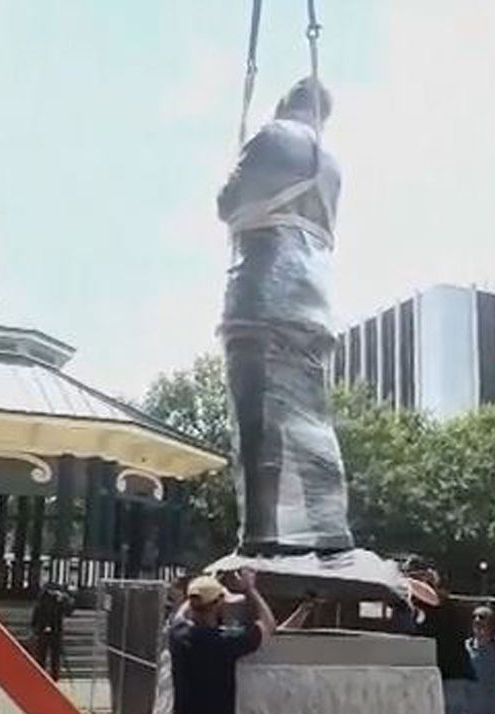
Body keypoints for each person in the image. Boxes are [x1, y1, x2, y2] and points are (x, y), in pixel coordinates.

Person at [217, 76, 351, 554]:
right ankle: (329, 533)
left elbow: (226, 204)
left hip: (262, 291)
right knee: (311, 419)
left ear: (285, 102)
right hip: (311, 300)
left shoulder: (274, 136)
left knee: (258, 421)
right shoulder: (331, 164)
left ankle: (261, 534)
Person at [169, 568, 277, 714]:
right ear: (218, 604)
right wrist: (250, 589)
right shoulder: (225, 640)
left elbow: (181, 614)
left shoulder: (177, 633)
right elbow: (269, 624)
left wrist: (203, 587)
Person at [413, 570, 476, 714]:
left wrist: (403, 581)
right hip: (440, 677)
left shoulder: (443, 602)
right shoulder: (418, 611)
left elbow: (431, 597)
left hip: (453, 678)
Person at [467, 606, 495, 714]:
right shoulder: (464, 650)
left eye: (482, 617)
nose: (477, 620)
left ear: (491, 624)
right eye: (474, 617)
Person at [31, 582, 75, 680]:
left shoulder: (60, 600)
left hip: (56, 630)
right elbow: (37, 614)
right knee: (41, 654)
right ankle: (41, 675)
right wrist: (35, 627)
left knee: (55, 656)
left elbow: (68, 612)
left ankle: (55, 675)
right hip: (44, 630)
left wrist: (65, 600)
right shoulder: (42, 599)